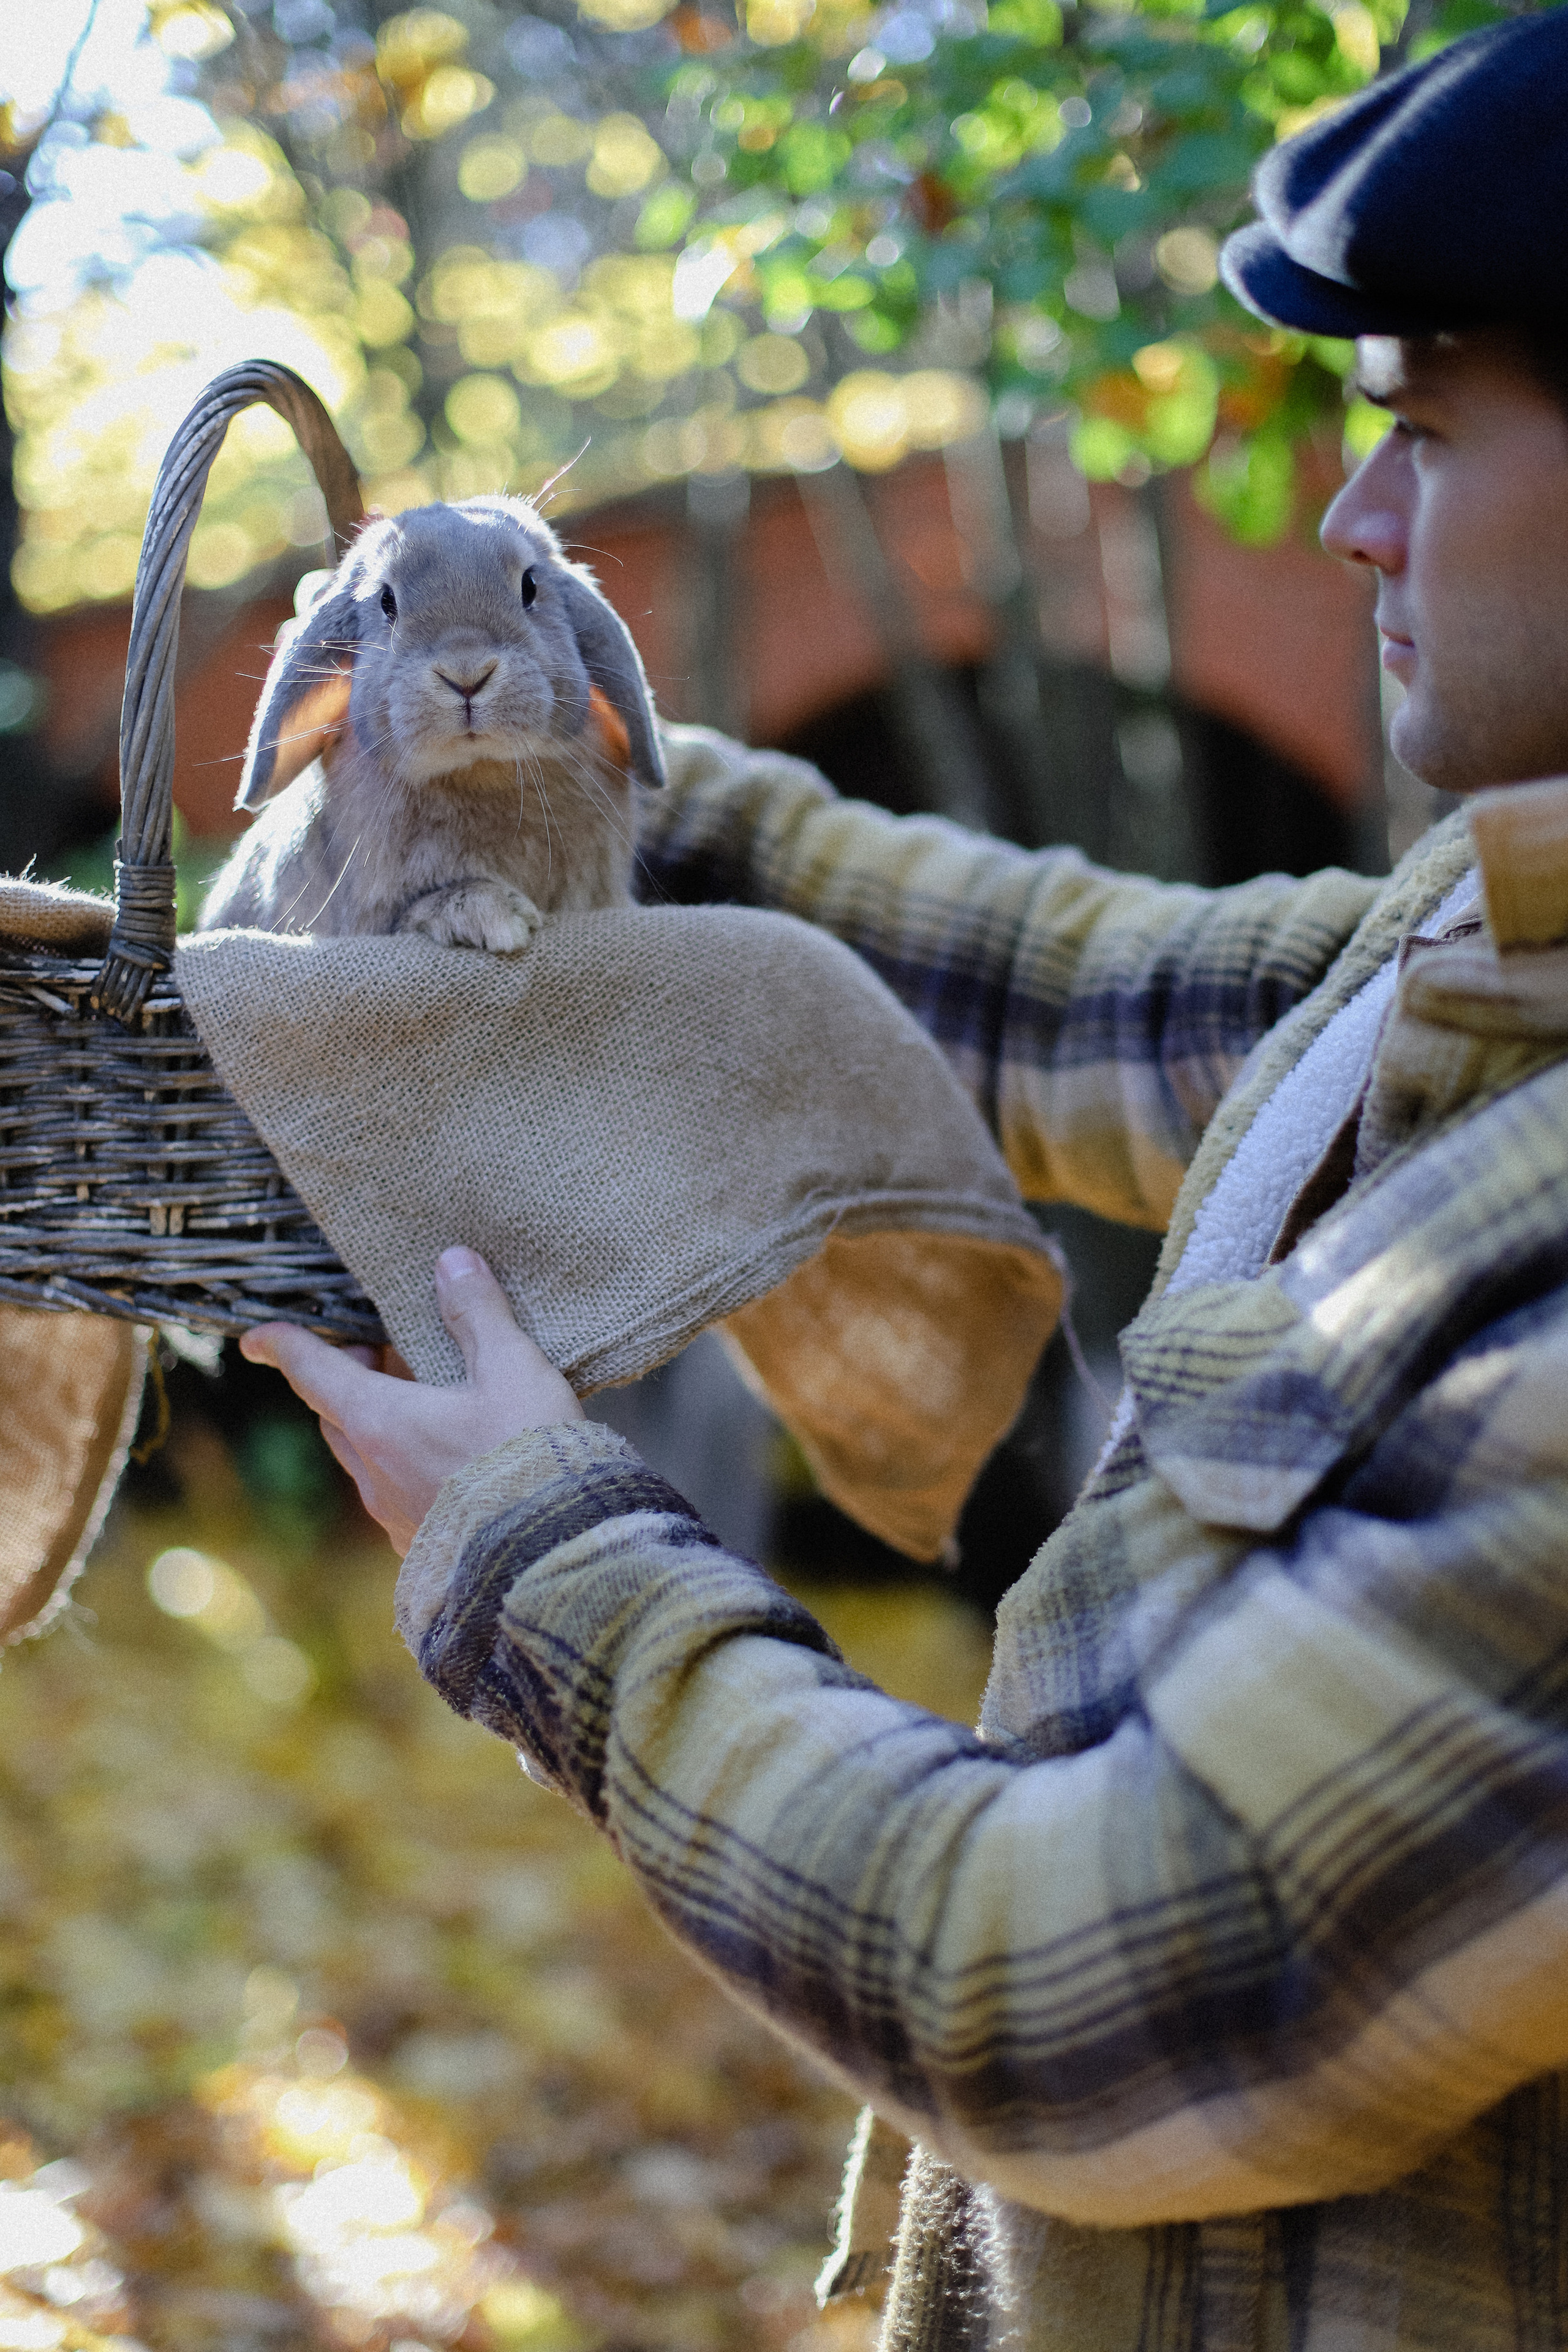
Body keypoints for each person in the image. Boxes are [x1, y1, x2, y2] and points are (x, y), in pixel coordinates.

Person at [241, 14, 1568, 2346]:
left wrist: (537, 1548)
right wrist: (556, 756)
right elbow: (1086, 996)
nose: (1350, 515)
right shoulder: (1472, 957)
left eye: (1435, 433)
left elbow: (1073, 1995)